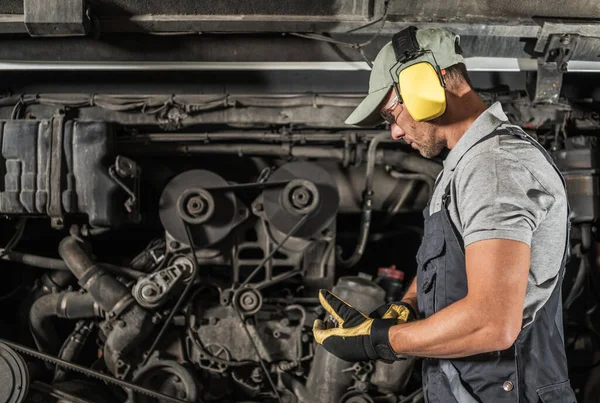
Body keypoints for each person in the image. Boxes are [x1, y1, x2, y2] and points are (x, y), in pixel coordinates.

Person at [312, 26, 577, 402]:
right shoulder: (463, 167)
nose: (395, 134)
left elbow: (491, 323)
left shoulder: (494, 167)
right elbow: (451, 269)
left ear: (427, 85)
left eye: (391, 113)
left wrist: (382, 341)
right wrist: (406, 307)